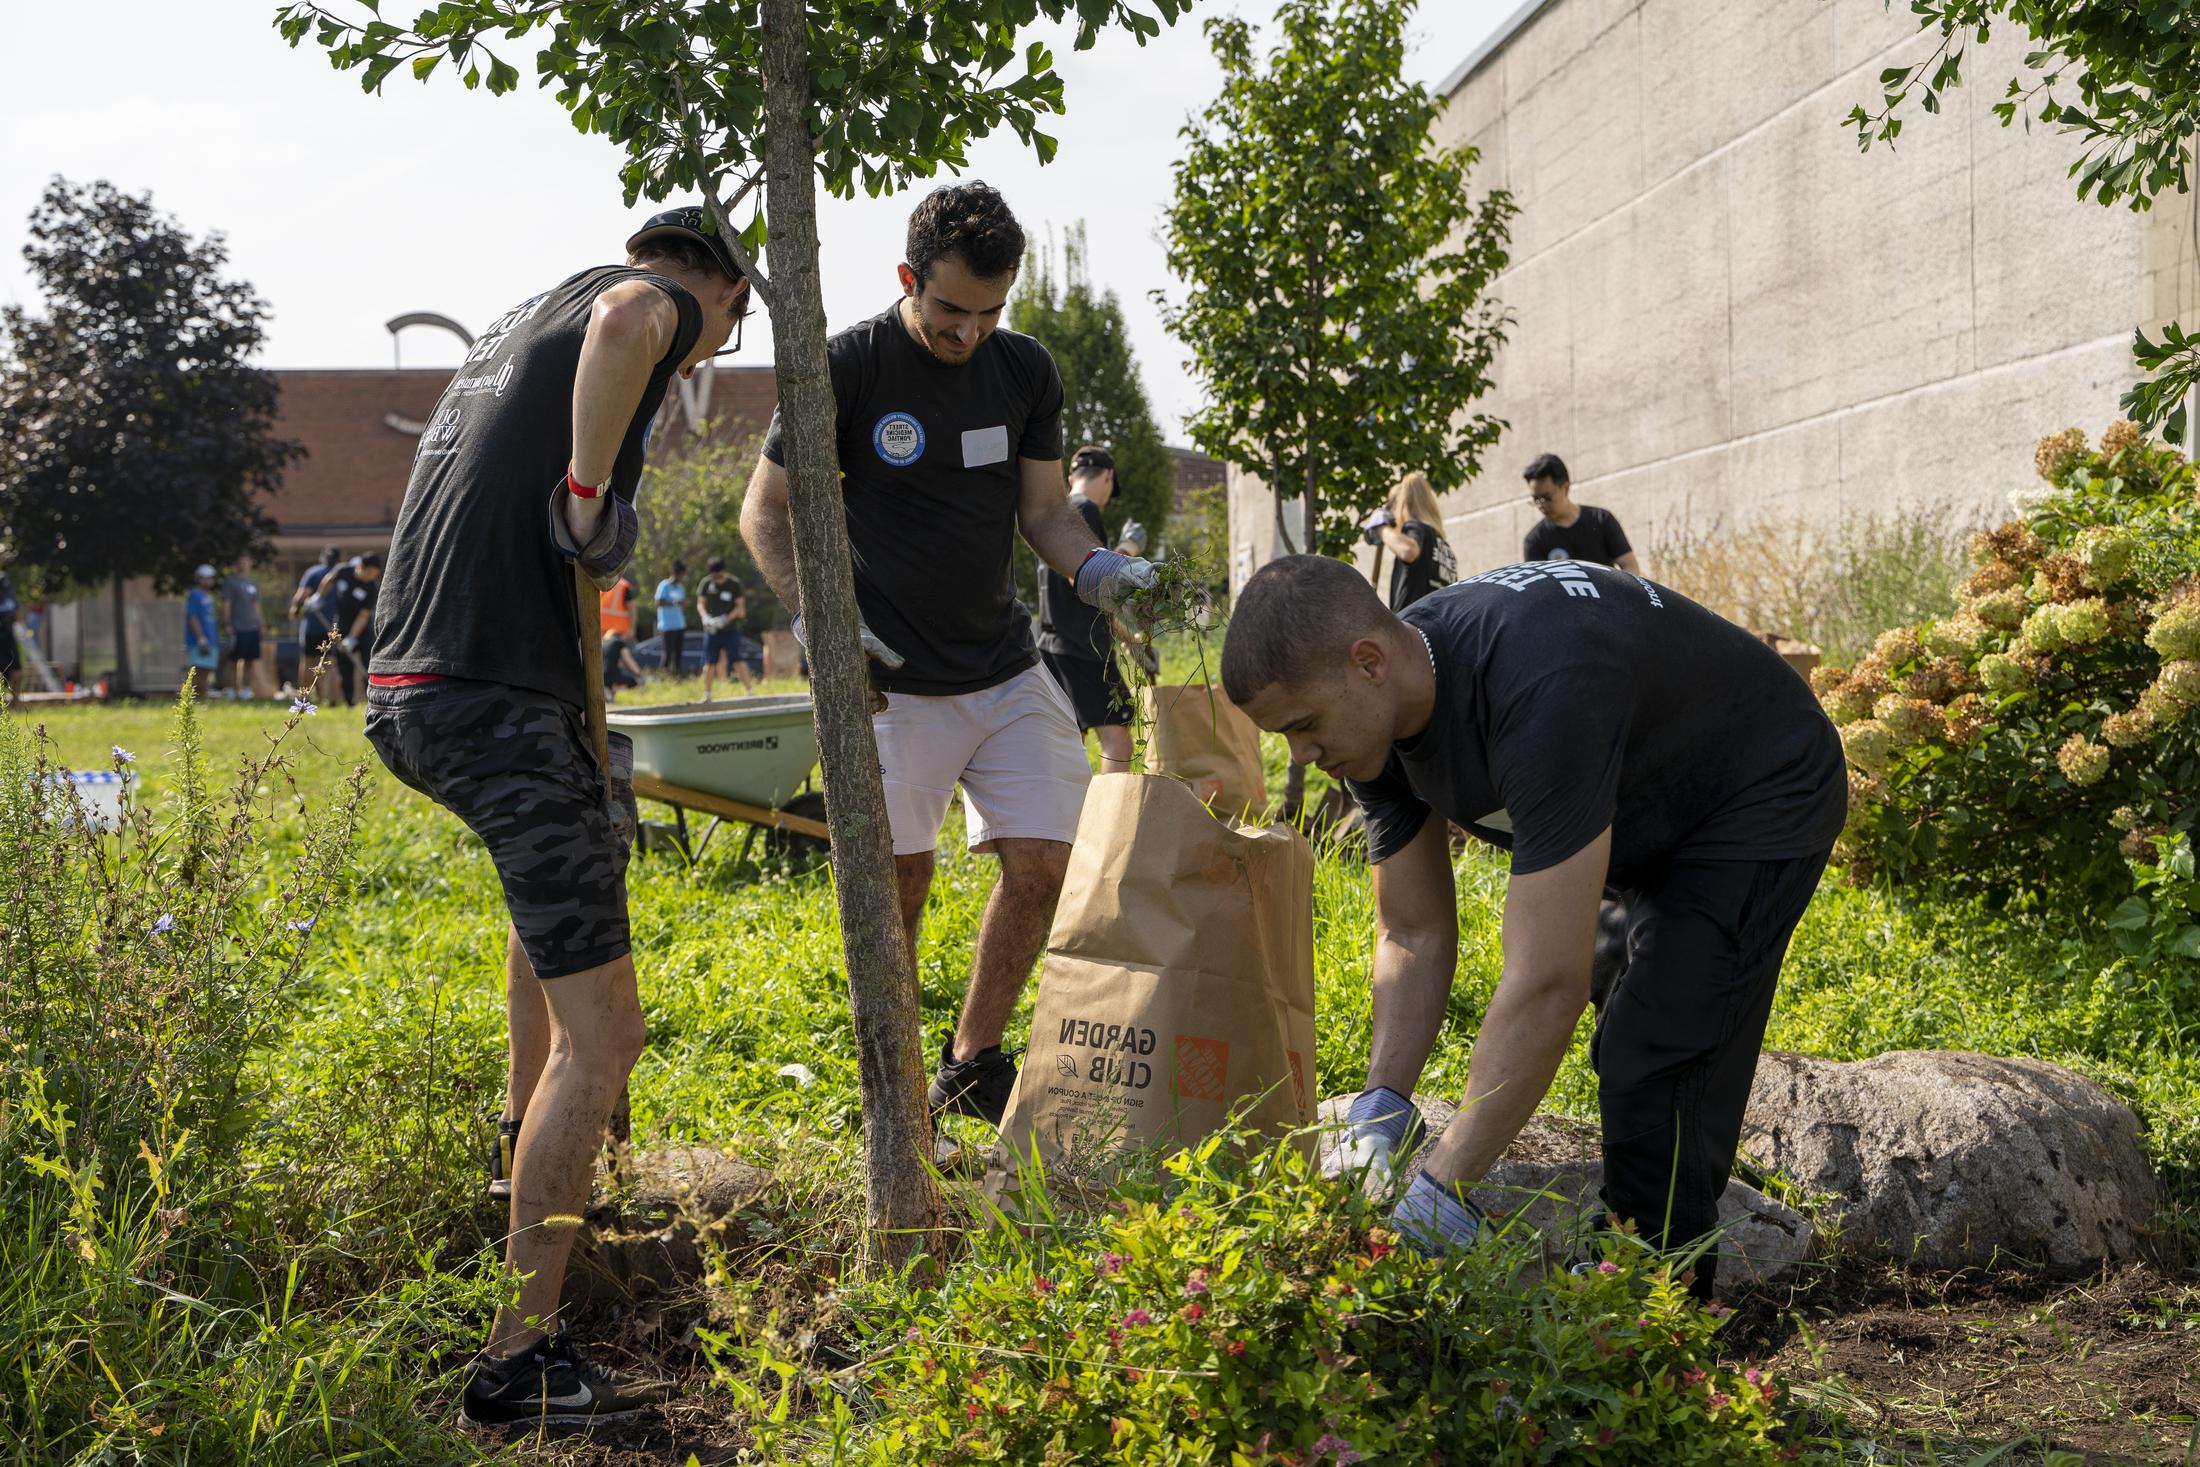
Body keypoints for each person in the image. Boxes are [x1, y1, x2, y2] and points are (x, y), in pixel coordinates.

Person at [361, 203, 749, 1428]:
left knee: (545, 944)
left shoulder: (516, 323)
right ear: (719, 288)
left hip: (415, 689)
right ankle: (515, 1365)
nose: (712, 351)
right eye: (728, 330)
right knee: (610, 1036)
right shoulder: (643, 302)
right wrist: (588, 500)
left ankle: (523, 1162)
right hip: (492, 702)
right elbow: (641, 319)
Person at [1220, 554, 1844, 1302]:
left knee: (1658, 1044)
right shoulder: (1371, 729)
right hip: (1641, 801)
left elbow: (1547, 981)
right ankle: (1636, 1259)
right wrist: (1381, 1104)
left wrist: (1443, 1182)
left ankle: (1651, 1308)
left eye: (1304, 726)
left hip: (1758, 782)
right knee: (1632, 1007)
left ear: (1369, 661)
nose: (1302, 757)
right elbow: (1413, 932)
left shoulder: (1537, 687)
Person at [740, 181, 1156, 1126]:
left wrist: (1095, 571)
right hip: (887, 682)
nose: (969, 331)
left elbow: (1044, 512)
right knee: (901, 879)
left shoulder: (1024, 371)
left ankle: (971, 1058)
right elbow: (764, 513)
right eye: (950, 310)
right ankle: (889, 1083)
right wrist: (825, 629)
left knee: (1050, 864)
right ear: (907, 279)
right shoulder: (845, 364)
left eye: (990, 311)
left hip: (1003, 664)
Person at [1036, 445, 1153, 773]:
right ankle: (1110, 824)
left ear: (1071, 476)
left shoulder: (1052, 514)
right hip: (1084, 649)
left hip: (1053, 646)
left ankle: (1071, 821)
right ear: (1108, 477)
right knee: (1117, 739)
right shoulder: (1085, 509)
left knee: (1069, 742)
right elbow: (1086, 580)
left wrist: (1129, 637)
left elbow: (1079, 596)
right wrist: (1127, 552)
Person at [1521, 453, 1640, 571]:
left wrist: (1618, 590)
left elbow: (1630, 565)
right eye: (1536, 499)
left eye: (1547, 497)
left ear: (1565, 488)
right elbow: (1538, 586)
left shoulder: (1601, 519)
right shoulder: (1535, 540)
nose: (1541, 505)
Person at [1360, 470, 1458, 610]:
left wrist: (1381, 527)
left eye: (1391, 507)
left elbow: (1407, 550)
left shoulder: (1416, 528)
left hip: (1415, 624)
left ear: (1400, 505)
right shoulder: (1445, 549)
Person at [319, 554, 382, 703]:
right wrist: (319, 597)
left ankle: (371, 701)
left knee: (368, 664)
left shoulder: (372, 588)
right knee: (344, 667)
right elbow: (328, 580)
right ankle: (349, 702)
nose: (372, 576)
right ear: (361, 568)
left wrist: (352, 637)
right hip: (341, 624)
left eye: (375, 574)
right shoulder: (343, 571)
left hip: (362, 629)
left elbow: (363, 616)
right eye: (370, 572)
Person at [695, 558, 755, 698]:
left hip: (730, 630)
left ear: (724, 572)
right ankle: (707, 694)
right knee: (709, 663)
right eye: (714, 576)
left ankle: (749, 691)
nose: (717, 579)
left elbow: (740, 606)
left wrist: (726, 619)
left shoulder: (734, 584)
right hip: (712, 631)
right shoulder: (706, 583)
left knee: (737, 660)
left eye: (719, 576)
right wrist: (705, 617)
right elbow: (700, 603)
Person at [290, 545, 342, 698]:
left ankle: (304, 697)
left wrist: (295, 610)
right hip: (332, 626)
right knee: (330, 662)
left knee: (308, 661)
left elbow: (301, 596)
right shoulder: (340, 574)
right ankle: (333, 699)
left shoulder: (313, 572)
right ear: (338, 560)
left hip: (312, 626)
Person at [222, 556, 267, 699]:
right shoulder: (231, 582)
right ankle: (231, 690)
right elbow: (226, 604)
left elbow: (257, 606)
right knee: (233, 661)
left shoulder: (252, 583)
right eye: (241, 562)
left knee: (250, 661)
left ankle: (246, 691)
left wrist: (262, 624)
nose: (244, 565)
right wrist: (227, 623)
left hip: (252, 628)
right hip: (237, 627)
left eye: (246, 562)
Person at [184, 564, 220, 697]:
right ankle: (193, 698)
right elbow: (192, 617)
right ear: (198, 579)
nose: (208, 581)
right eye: (204, 578)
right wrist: (200, 637)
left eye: (210, 578)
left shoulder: (209, 596)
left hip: (212, 640)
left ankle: (203, 696)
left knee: (207, 669)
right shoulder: (194, 595)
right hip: (199, 641)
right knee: (197, 669)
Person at [653, 560, 689, 677]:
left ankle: (676, 677)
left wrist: (683, 603)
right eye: (681, 574)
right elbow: (659, 602)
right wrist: (674, 603)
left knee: (678, 653)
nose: (683, 577)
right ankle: (662, 677)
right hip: (667, 625)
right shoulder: (664, 585)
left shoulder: (680, 587)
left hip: (679, 624)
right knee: (667, 654)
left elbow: (682, 602)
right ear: (676, 574)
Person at [602, 628, 643, 698]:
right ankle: (614, 690)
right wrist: (639, 673)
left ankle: (609, 692)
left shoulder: (603, 643)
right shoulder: (619, 643)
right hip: (612, 674)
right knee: (635, 682)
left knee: (612, 682)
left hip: (602, 675)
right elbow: (628, 660)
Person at [0, 568, 19, 698]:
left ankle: (14, 702)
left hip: (7, 636)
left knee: (17, 671)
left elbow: (14, 614)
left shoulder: (8, 598)